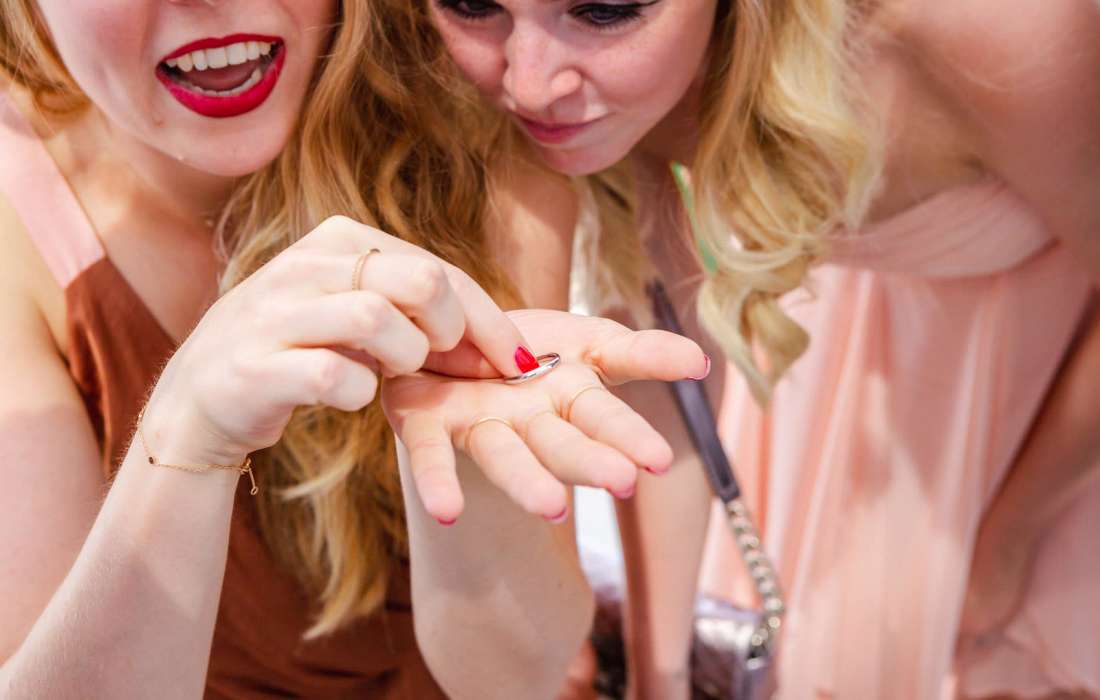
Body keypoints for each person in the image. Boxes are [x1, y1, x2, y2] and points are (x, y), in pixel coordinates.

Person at [0, 2, 708, 698]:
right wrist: (186, 437)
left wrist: (474, 473)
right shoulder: (18, 222)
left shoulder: (473, 147)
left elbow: (516, 679)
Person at [404, 0, 1100, 697]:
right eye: (473, 2)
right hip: (832, 372)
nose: (527, 86)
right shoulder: (600, 87)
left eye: (607, 9)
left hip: (1060, 409)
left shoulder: (999, 28)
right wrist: (660, 673)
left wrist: (1011, 537)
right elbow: (659, 342)